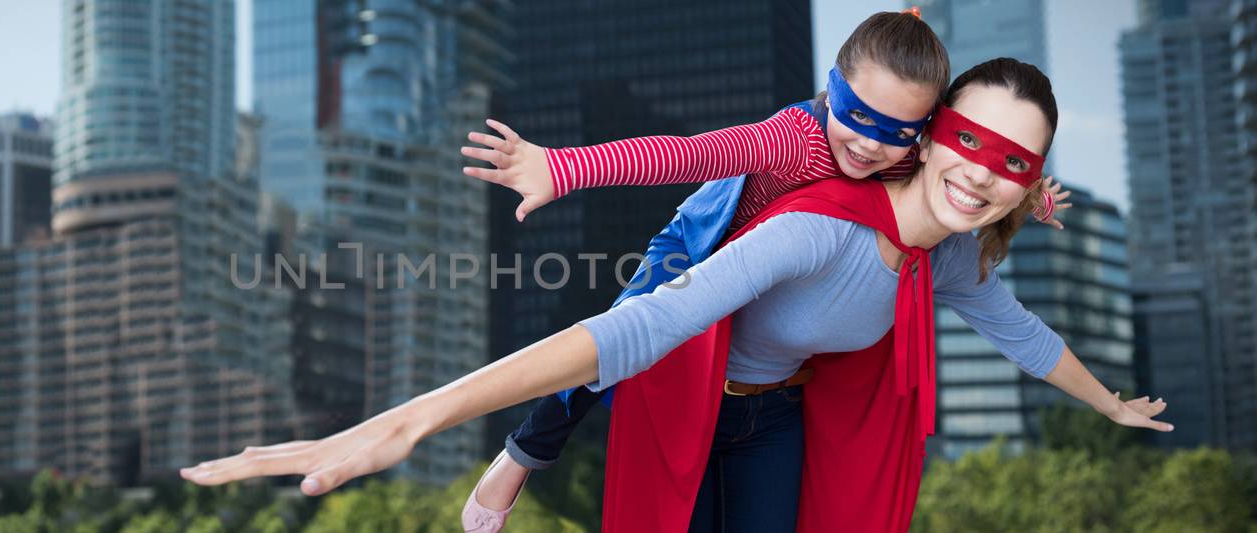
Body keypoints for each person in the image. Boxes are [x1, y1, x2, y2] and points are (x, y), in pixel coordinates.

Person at [180, 58, 1169, 532]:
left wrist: (1111, 402)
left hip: (775, 417)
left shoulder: (946, 258)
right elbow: (638, 319)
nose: (984, 173)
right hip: (683, 381)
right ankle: (517, 455)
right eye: (971, 142)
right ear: (930, 132)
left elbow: (1021, 331)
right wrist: (411, 417)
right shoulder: (812, 215)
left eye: (1016, 162)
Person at [460, 10, 1062, 532]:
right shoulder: (793, 139)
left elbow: (973, 167)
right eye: (854, 114)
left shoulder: (903, 161)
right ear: (832, 88)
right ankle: (523, 454)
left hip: (763, 350)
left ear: (925, 136)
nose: (869, 145)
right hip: (698, 248)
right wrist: (562, 168)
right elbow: (686, 153)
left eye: (896, 133)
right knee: (619, 342)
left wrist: (1028, 190)